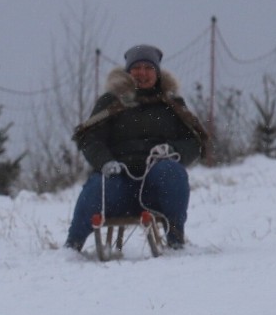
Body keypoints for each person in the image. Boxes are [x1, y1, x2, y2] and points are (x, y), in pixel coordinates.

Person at [64, 44, 208, 252]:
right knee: (98, 186)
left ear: (157, 73)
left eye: (148, 68)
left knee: (173, 173)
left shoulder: (172, 104)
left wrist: (172, 151)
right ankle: (72, 245)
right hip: (119, 183)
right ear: (128, 72)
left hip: (155, 188)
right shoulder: (111, 102)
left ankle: (176, 240)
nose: (142, 73)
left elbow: (194, 142)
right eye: (137, 68)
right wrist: (105, 162)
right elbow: (90, 139)